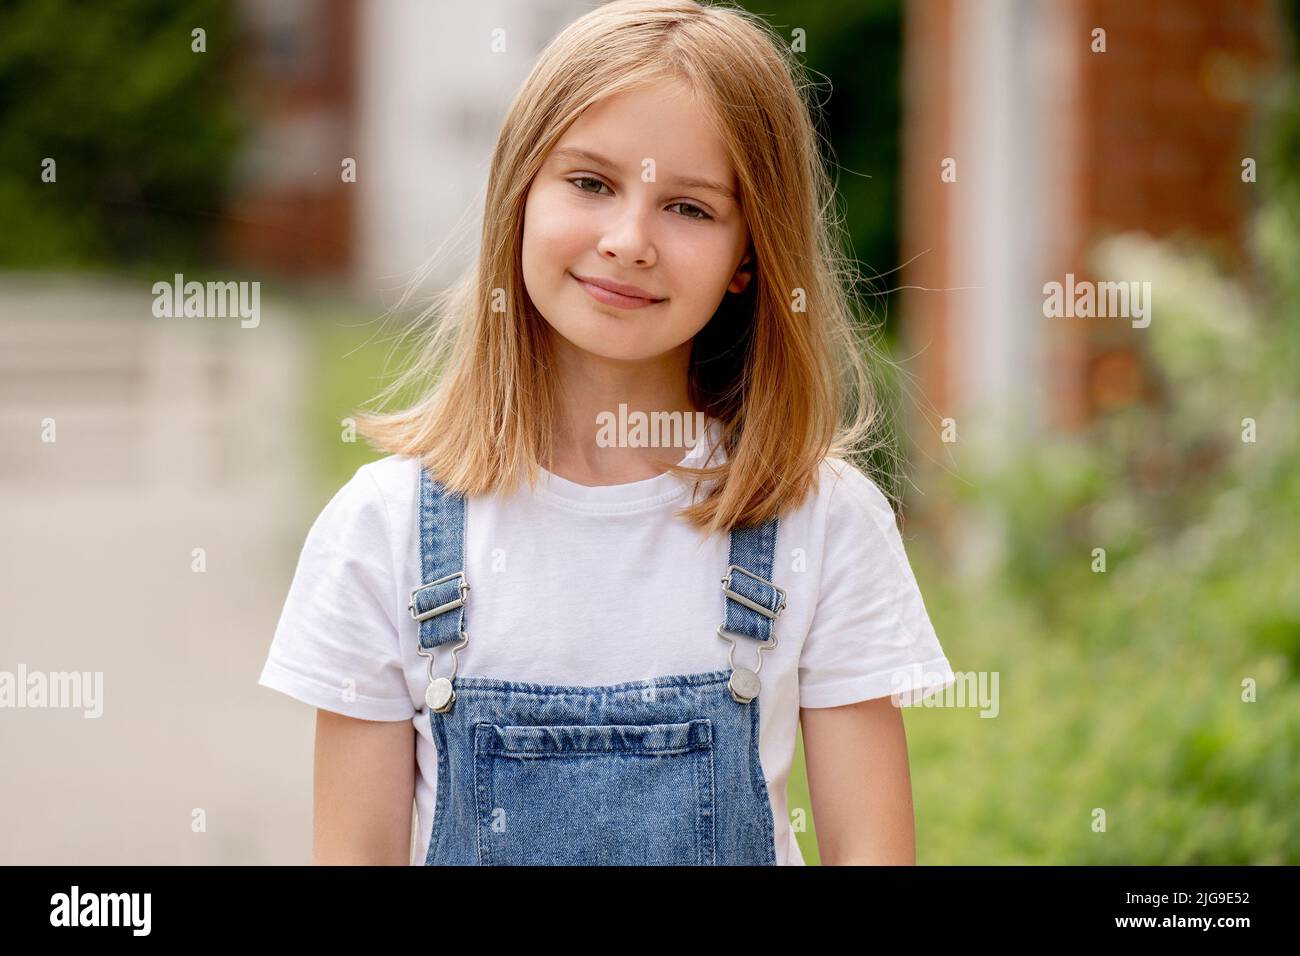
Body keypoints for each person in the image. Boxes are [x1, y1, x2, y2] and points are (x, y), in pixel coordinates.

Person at [258, 0, 955, 866]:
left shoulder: (822, 523)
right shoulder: (385, 532)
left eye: (690, 208)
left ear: (749, 256)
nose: (628, 241)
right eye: (590, 184)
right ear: (518, 196)